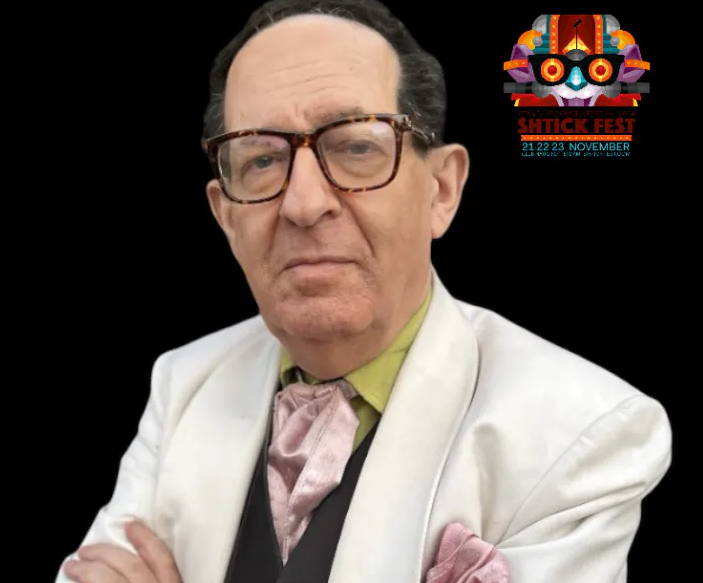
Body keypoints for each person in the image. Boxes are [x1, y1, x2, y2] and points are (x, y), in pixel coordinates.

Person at [56, 1, 672, 582]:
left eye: (355, 146)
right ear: (225, 215)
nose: (304, 204)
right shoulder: (182, 383)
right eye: (261, 161)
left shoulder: (582, 430)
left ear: (442, 190)